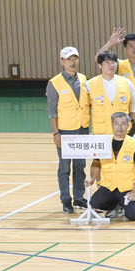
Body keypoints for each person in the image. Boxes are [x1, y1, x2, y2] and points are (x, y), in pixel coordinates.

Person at [48, 46, 94, 213]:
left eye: (75, 58)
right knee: (65, 167)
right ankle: (65, 199)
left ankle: (79, 197)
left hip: (82, 128)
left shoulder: (83, 79)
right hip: (65, 130)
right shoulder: (54, 83)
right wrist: (56, 133)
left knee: (80, 165)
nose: (72, 62)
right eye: (68, 59)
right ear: (62, 61)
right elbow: (52, 112)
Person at [84, 111, 135, 221]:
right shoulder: (103, 142)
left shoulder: (134, 144)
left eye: (123, 123)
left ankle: (124, 204)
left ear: (128, 125)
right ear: (112, 125)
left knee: (134, 215)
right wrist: (92, 179)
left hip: (127, 188)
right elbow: (96, 163)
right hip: (109, 186)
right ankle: (114, 206)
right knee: (95, 203)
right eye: (116, 123)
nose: (119, 127)